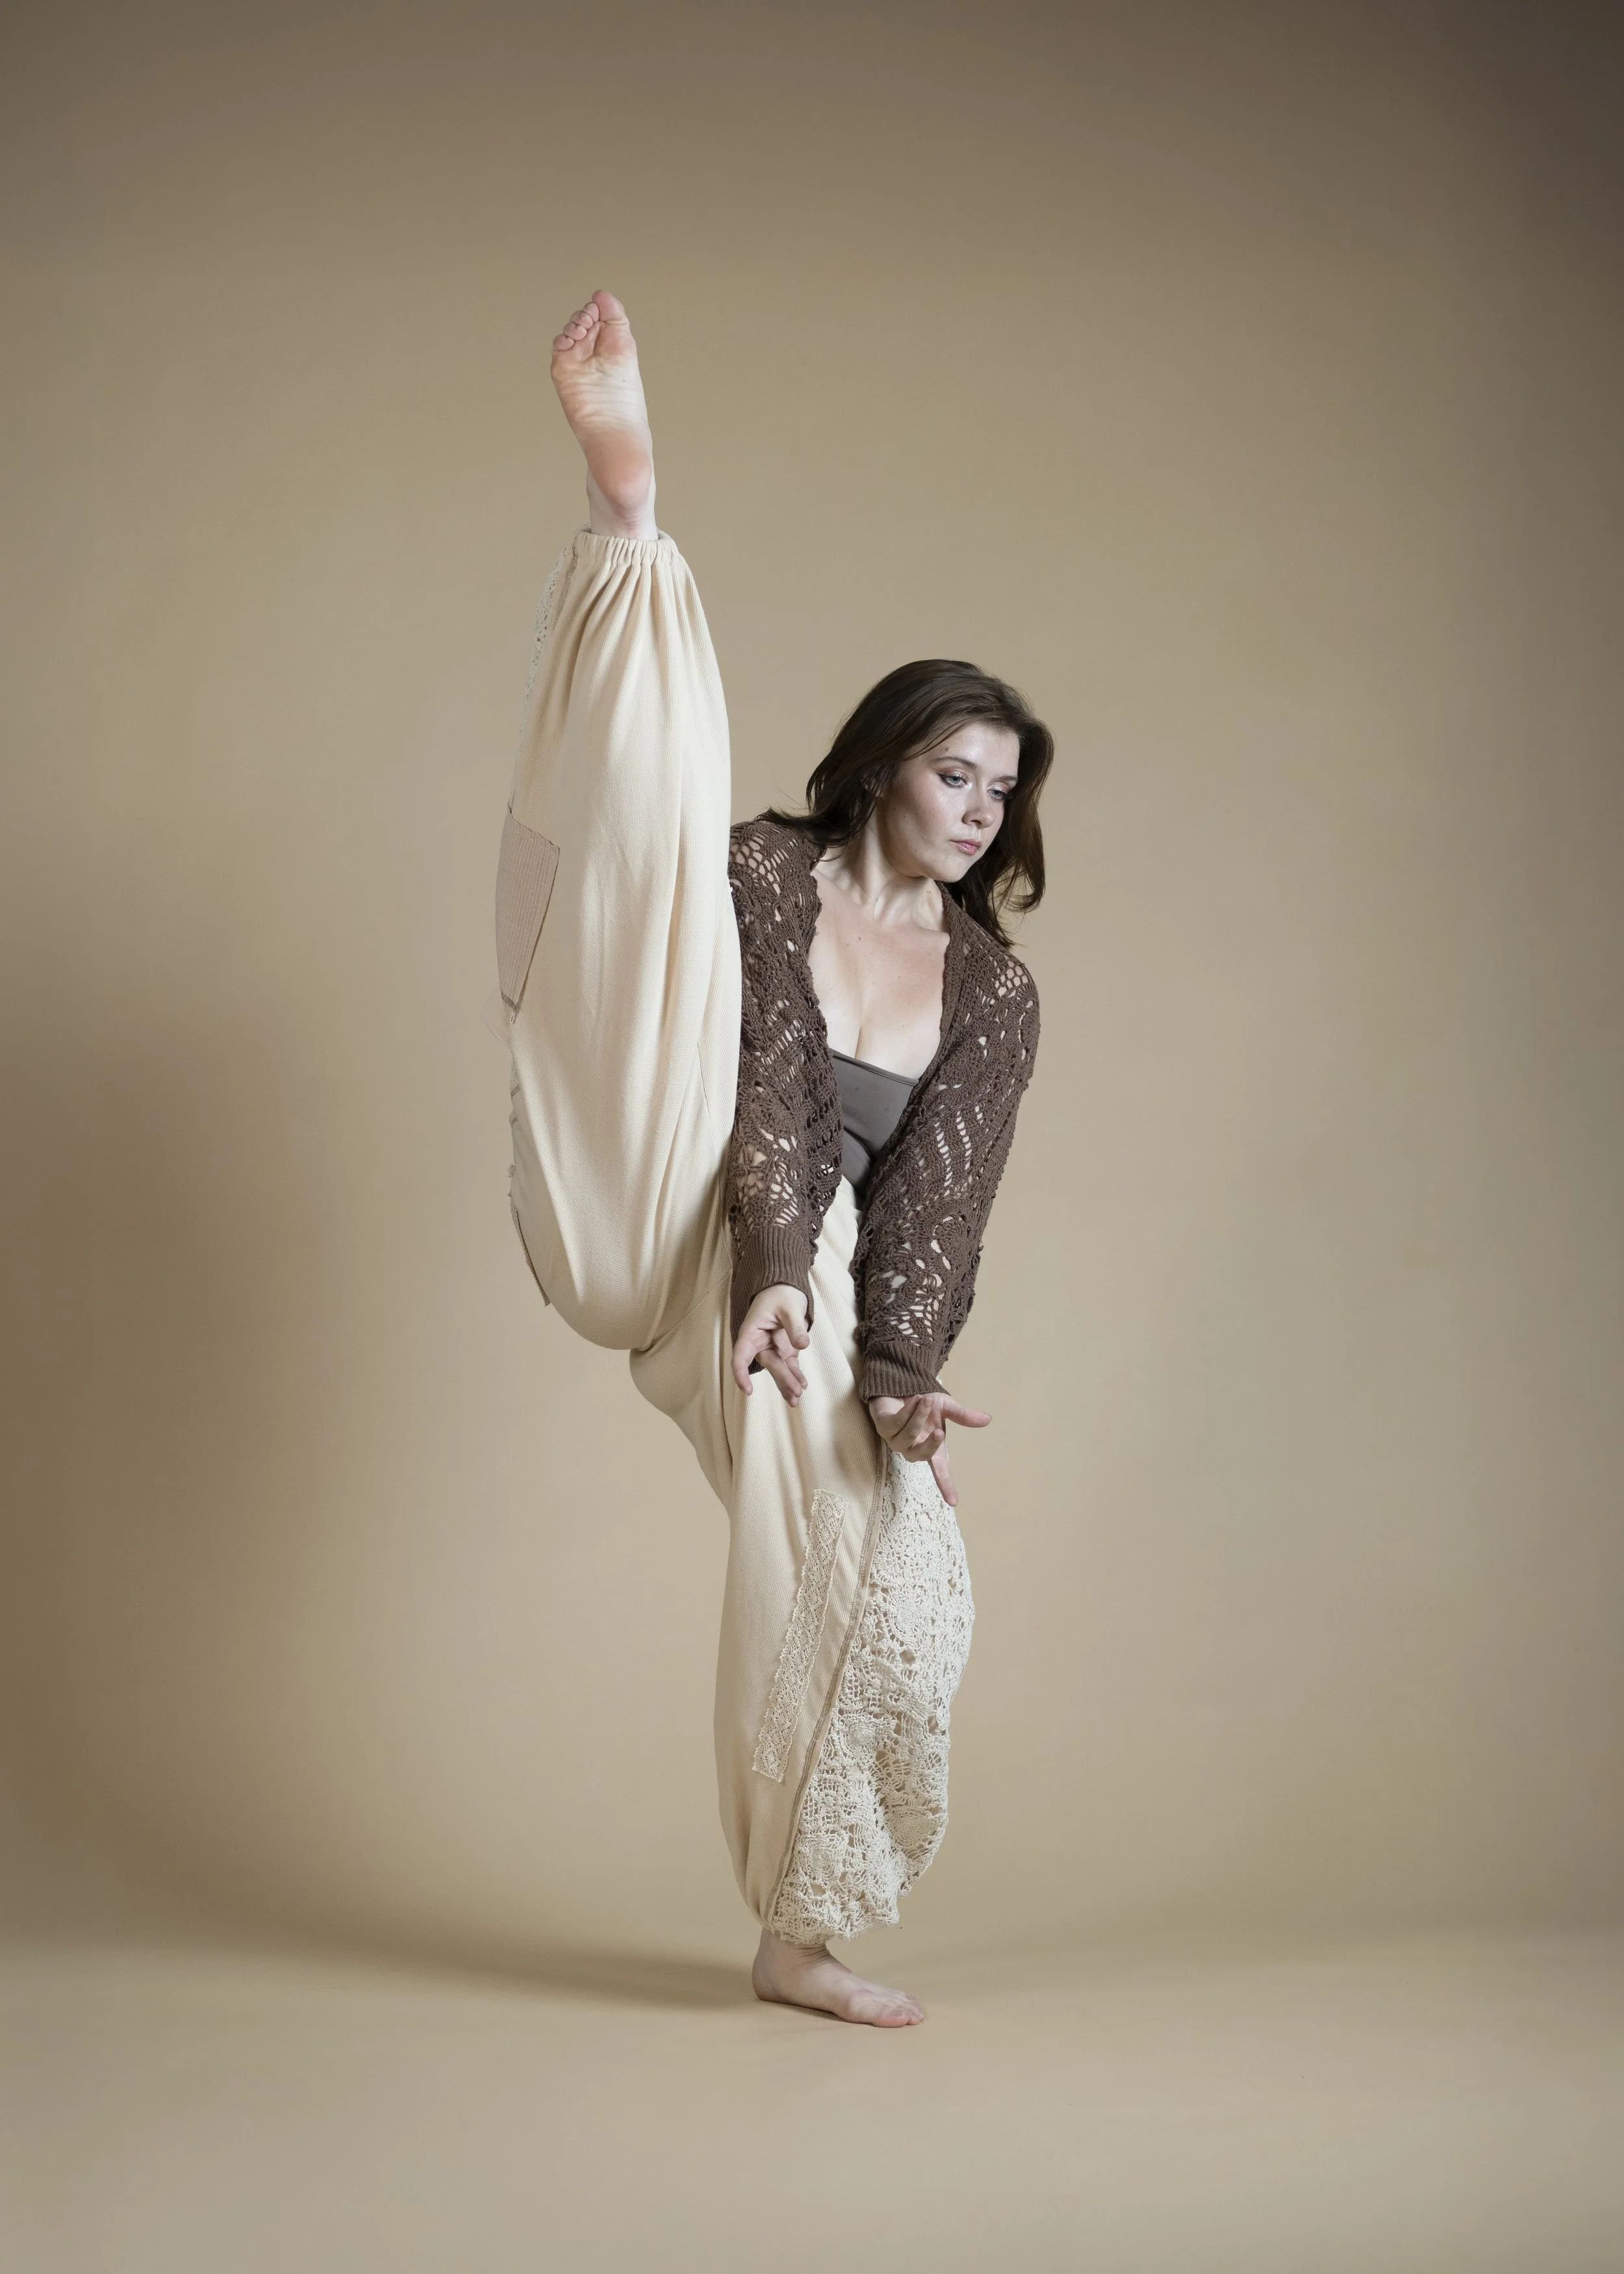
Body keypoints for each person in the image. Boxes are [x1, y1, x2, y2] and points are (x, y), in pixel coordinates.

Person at [494, 291, 1050, 2026]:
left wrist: (893, 1378)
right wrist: (778, 1267)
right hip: (674, 1180)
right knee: (663, 822)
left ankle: (799, 1927)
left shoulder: (990, 991)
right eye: (951, 771)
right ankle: (631, 532)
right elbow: (772, 1090)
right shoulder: (761, 875)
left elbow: (936, 1211)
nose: (974, 809)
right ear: (885, 762)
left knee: (899, 1571)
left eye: (999, 791)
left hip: (779, 1292)